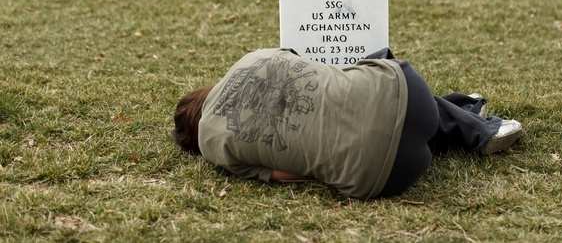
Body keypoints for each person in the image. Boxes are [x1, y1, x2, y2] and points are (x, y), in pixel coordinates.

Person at [172, 48, 523, 200]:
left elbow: (288, 175)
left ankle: (463, 112)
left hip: (382, 176)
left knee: (383, 131)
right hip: (410, 98)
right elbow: (313, 68)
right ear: (205, 92)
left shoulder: (213, 148)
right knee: (377, 62)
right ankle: (471, 119)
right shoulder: (249, 61)